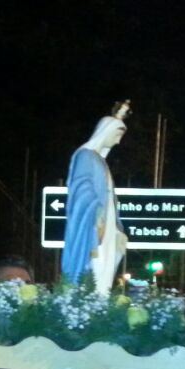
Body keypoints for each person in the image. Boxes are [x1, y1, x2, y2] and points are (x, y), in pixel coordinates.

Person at [61, 102, 130, 290]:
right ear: (105, 132)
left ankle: (99, 300)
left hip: (107, 225)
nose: (118, 142)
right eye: (117, 136)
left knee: (103, 274)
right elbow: (82, 188)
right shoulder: (86, 156)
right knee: (93, 269)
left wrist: (116, 227)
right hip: (94, 224)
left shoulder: (101, 162)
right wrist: (96, 213)